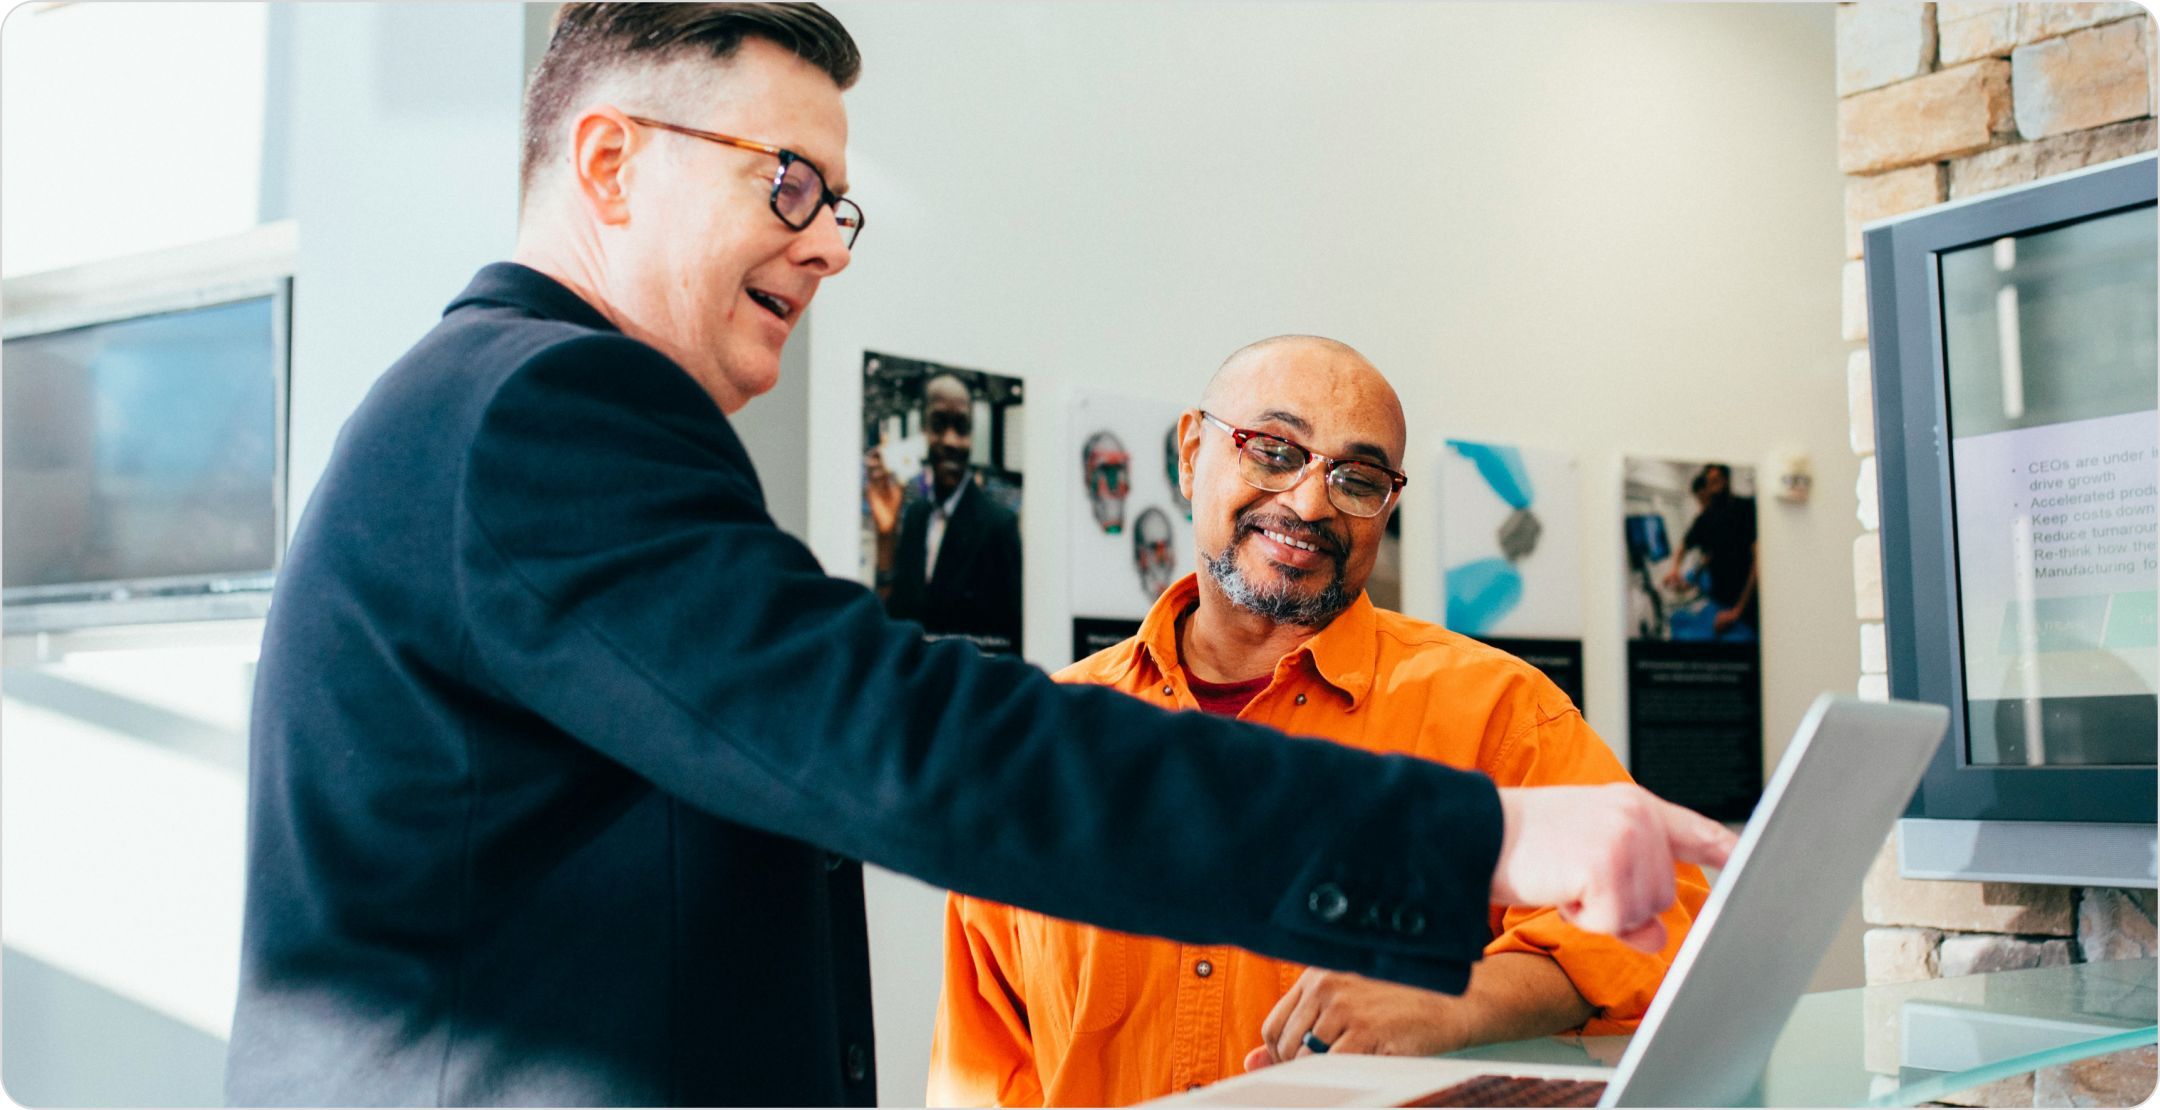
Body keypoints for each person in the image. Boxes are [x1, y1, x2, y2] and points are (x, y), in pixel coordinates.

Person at [226, 6, 1735, 1106]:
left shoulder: (499, 411)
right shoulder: (543, 406)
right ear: (610, 164)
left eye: (841, 203)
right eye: (788, 182)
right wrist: (1471, 841)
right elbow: (898, 742)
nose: (826, 242)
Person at [928, 338, 1714, 1107]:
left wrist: (1456, 998)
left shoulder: (1496, 710)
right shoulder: (1045, 742)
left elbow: (1664, 931)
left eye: (1358, 477)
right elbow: (985, 1067)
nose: (1309, 504)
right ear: (1191, 451)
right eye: (1274, 450)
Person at [864, 373, 1023, 653]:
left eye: (961, 428)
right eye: (938, 425)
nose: (950, 441)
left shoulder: (999, 527)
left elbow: (1008, 645)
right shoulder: (915, 516)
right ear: (924, 430)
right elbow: (895, 619)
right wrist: (886, 537)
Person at [1664, 463, 1760, 640]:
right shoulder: (1705, 519)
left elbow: (1758, 561)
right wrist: (1675, 570)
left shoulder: (1745, 508)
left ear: (1727, 480)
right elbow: (1685, 546)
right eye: (1710, 482)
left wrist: (1738, 610)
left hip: (1747, 604)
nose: (1714, 487)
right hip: (1719, 601)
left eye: (1717, 480)